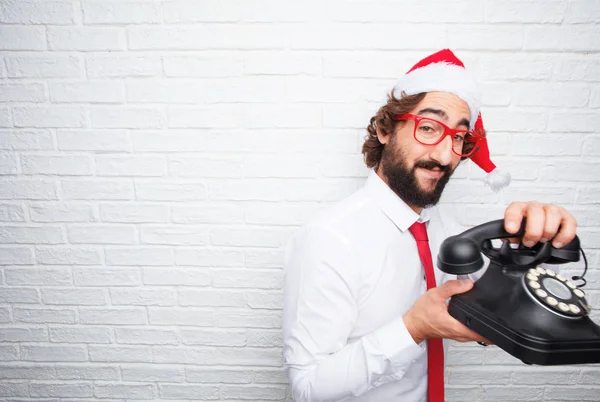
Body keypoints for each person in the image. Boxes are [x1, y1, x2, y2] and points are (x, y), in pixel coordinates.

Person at [282, 49, 577, 402]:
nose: (444, 156)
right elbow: (308, 387)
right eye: (428, 128)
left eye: (457, 137)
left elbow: (502, 312)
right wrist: (412, 328)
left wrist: (530, 244)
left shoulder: (451, 232)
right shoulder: (329, 239)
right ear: (385, 129)